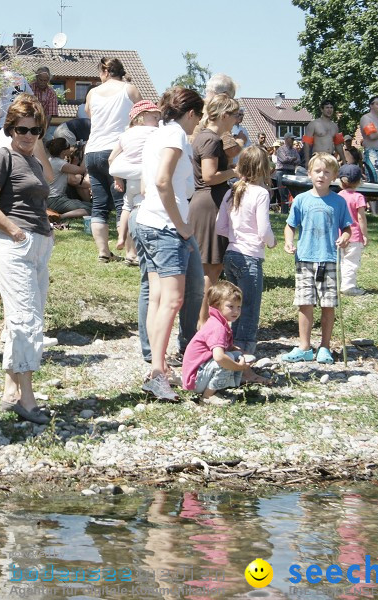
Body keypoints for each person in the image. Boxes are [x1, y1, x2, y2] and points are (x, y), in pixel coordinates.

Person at [0, 95, 54, 425]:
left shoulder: (34, 161)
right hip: (15, 245)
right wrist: (15, 231)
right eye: (22, 129)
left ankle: (12, 391)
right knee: (26, 322)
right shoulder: (2, 156)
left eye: (35, 130)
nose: (28, 135)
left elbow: (45, 184)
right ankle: (27, 398)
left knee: (22, 319)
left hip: (39, 245)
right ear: (10, 128)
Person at [133, 86, 205, 400]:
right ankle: (158, 373)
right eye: (198, 118)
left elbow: (148, 182)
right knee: (173, 301)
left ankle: (157, 367)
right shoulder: (175, 136)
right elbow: (162, 181)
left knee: (159, 299)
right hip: (164, 226)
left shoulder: (156, 134)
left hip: (147, 221)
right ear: (191, 113)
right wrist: (182, 226)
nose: (198, 124)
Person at [281, 153, 353, 364]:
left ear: (334, 177)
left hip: (329, 259)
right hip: (304, 259)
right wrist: (288, 241)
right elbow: (290, 225)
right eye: (317, 171)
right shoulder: (301, 200)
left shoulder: (339, 202)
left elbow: (347, 227)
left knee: (328, 305)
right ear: (310, 173)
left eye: (326, 172)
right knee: (305, 303)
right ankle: (304, 346)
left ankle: (325, 346)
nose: (321, 175)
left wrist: (345, 237)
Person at [215, 145, 276, 354]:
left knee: (232, 305)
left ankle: (230, 342)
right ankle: (244, 348)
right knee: (249, 306)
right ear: (264, 168)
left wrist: (234, 236)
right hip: (250, 256)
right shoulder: (261, 193)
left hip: (231, 254)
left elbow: (219, 226)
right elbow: (263, 228)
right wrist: (271, 241)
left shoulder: (232, 191)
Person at [84, 57, 142, 262]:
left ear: (105, 71)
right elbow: (141, 116)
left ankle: (103, 252)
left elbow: (89, 113)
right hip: (117, 151)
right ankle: (129, 252)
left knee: (98, 204)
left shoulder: (92, 92)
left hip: (92, 151)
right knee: (123, 203)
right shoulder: (130, 89)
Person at [191, 93, 238, 326]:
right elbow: (209, 176)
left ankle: (201, 321)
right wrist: (235, 172)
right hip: (209, 205)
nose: (236, 120)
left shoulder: (204, 136)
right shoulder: (211, 140)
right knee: (211, 269)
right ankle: (203, 322)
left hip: (206, 203)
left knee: (209, 268)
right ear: (223, 115)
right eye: (235, 115)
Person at [181, 281, 270, 405]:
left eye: (238, 307)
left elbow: (226, 347)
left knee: (235, 355)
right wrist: (239, 367)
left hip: (199, 373)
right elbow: (219, 357)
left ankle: (214, 389)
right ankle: (207, 396)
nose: (236, 311)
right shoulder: (217, 327)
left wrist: (240, 352)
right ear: (217, 306)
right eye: (231, 306)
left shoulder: (218, 322)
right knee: (226, 359)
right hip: (196, 379)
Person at [109, 99, 160, 264]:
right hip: (147, 179)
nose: (158, 121)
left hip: (130, 180)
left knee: (127, 208)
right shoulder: (154, 133)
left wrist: (118, 180)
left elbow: (111, 158)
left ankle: (121, 237)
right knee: (142, 213)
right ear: (143, 116)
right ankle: (142, 250)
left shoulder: (125, 135)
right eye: (155, 116)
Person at [336, 164, 368, 296]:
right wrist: (364, 234)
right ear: (359, 181)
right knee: (351, 261)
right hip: (354, 235)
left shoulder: (338, 196)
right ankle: (348, 286)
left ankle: (339, 283)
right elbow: (361, 218)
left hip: (339, 235)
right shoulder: (358, 197)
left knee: (341, 260)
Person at [45, 137, 89, 220]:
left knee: (90, 206)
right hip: (55, 200)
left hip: (51, 199)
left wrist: (74, 162)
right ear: (63, 151)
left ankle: (59, 213)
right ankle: (60, 216)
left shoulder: (51, 160)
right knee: (91, 209)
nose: (71, 148)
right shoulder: (60, 163)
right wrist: (85, 153)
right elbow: (82, 170)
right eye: (69, 147)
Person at [303, 99, 344, 165]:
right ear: (322, 110)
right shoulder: (314, 124)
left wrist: (344, 160)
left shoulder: (335, 126)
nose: (329, 110)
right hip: (317, 158)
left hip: (330, 157)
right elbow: (306, 144)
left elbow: (338, 144)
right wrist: (307, 161)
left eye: (331, 108)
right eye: (327, 108)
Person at [275, 133, 301, 212]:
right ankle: (284, 212)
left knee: (294, 192)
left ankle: (296, 211)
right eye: (291, 139)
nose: (293, 141)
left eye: (293, 139)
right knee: (283, 193)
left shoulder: (294, 150)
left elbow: (298, 160)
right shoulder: (281, 149)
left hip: (291, 172)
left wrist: (290, 159)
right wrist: (292, 159)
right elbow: (284, 159)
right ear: (286, 139)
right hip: (281, 172)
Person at [32, 66, 58, 133]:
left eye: (45, 80)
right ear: (37, 78)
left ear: (48, 80)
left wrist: (42, 131)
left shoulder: (51, 93)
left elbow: (49, 115)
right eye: (41, 80)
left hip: (43, 123)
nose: (42, 82)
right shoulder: (29, 88)